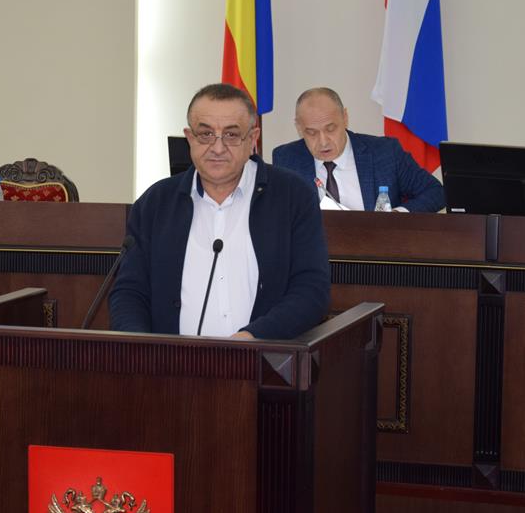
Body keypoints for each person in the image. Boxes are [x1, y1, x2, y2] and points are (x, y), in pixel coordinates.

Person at [109, 83, 330, 340]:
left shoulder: (292, 195)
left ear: (252, 139)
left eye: (231, 135)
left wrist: (255, 337)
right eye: (205, 134)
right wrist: (141, 347)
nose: (217, 147)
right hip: (171, 362)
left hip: (263, 358)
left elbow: (311, 289)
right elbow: (129, 292)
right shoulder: (155, 203)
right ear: (189, 138)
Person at [272, 87, 445, 212]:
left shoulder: (384, 153)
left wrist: (396, 216)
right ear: (299, 127)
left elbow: (436, 192)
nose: (323, 142)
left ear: (345, 118)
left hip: (375, 250)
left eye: (331, 129)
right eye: (311, 133)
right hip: (314, 252)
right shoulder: (287, 159)